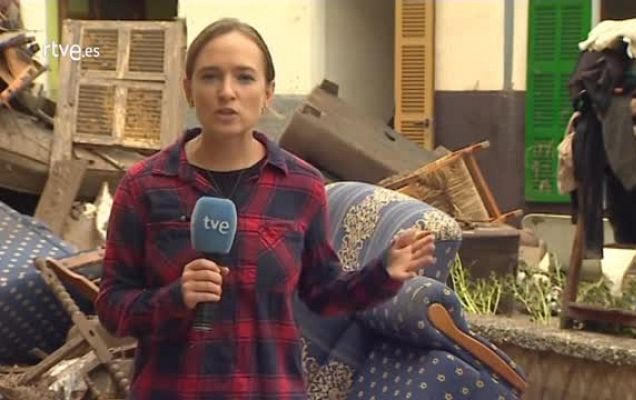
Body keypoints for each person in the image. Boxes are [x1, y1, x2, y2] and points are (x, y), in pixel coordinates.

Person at [95, 18, 436, 400]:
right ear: (188, 89)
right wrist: (174, 298)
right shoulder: (145, 185)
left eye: (244, 77)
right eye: (210, 77)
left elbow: (322, 292)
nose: (227, 92)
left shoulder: (301, 185)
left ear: (268, 92)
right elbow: (111, 306)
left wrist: (384, 272)